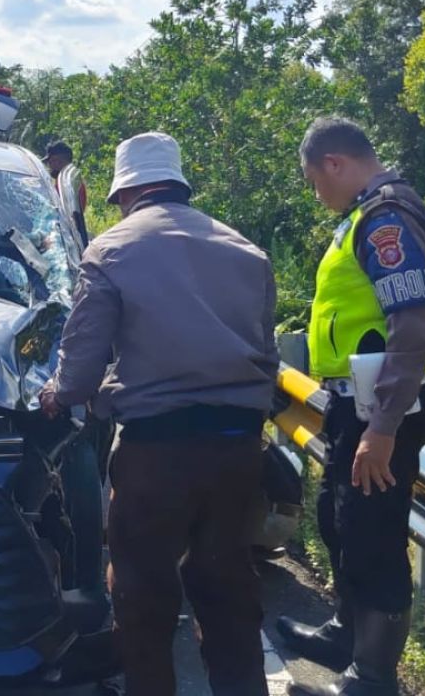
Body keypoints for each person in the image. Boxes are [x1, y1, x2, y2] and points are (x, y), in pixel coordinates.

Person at [40, 131, 279, 696]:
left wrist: (54, 395)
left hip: (157, 453)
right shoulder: (245, 249)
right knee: (227, 588)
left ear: (127, 192)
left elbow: (78, 372)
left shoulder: (112, 249)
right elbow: (267, 354)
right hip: (237, 450)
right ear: (177, 184)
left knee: (143, 595)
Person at [279, 117, 425, 696]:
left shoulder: (385, 218)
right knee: (340, 518)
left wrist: (383, 428)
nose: (314, 193)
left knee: (374, 534)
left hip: (384, 407)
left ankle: (372, 678)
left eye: (312, 180)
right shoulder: (365, 213)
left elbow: (412, 329)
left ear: (334, 164)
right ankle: (345, 635)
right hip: (357, 402)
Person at [43, 139, 89, 213]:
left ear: (57, 161)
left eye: (50, 162)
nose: (49, 166)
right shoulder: (71, 181)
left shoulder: (65, 184)